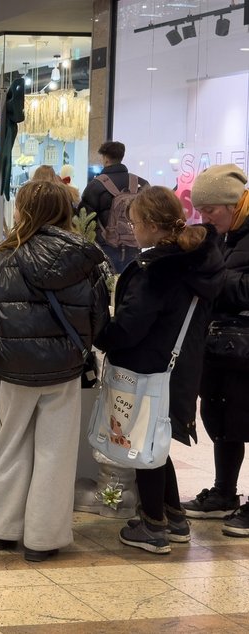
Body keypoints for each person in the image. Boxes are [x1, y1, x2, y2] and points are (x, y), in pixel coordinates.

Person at [0, 180, 110, 562]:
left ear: (23, 209)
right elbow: (99, 318)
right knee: (56, 452)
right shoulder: (84, 257)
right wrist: (78, 350)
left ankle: (1, 531)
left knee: (9, 445)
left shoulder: (3, 257)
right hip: (64, 369)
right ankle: (42, 540)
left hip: (15, 371)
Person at [93, 186, 223, 553]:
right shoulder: (199, 261)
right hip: (181, 366)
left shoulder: (157, 270)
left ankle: (153, 527)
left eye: (134, 223)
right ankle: (173, 516)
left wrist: (102, 330)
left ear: (151, 225)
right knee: (158, 440)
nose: (132, 230)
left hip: (149, 366)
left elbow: (130, 327)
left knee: (143, 444)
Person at [181, 164, 249, 537]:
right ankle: (224, 493)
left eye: (210, 210)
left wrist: (212, 277)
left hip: (244, 346)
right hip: (220, 344)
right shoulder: (224, 234)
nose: (204, 217)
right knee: (224, 421)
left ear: (232, 203)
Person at [80, 141, 150, 273]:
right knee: (129, 283)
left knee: (108, 286)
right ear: (121, 157)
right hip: (134, 245)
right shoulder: (141, 183)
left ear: (106, 159)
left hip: (106, 247)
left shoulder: (96, 185)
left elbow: (84, 220)